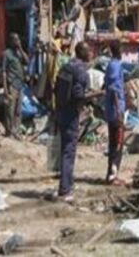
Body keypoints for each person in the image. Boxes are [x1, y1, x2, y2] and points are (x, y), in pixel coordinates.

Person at [54, 42, 92, 201]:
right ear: (83, 53)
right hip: (71, 113)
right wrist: (94, 95)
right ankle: (65, 189)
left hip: (61, 111)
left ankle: (67, 182)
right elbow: (78, 95)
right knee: (69, 151)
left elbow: (56, 88)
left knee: (65, 149)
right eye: (89, 50)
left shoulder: (66, 66)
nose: (91, 53)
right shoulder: (81, 71)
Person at [104, 41, 126, 184]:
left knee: (115, 141)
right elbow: (113, 90)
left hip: (114, 108)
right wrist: (118, 110)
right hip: (115, 110)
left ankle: (111, 174)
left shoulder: (114, 65)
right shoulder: (114, 65)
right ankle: (113, 175)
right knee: (117, 142)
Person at [2, 33, 28, 139]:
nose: (17, 41)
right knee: (10, 109)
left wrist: (21, 48)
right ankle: (9, 131)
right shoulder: (6, 54)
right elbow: (3, 72)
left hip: (20, 85)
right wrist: (5, 88)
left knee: (18, 110)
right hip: (11, 84)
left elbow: (27, 61)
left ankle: (16, 131)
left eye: (18, 39)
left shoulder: (18, 53)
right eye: (15, 40)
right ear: (11, 41)